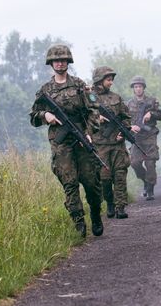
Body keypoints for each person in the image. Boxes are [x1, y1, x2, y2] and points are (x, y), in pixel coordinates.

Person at [30, 44, 103, 238]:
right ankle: (79, 223)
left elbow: (94, 111)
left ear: (68, 62)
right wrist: (45, 115)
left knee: (91, 182)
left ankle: (95, 214)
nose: (60, 62)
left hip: (82, 139)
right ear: (51, 63)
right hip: (61, 144)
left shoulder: (80, 85)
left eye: (63, 59)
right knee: (69, 183)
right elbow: (33, 116)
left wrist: (88, 132)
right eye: (56, 60)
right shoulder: (45, 90)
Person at [91, 66, 131, 219]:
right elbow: (82, 117)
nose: (111, 82)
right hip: (100, 146)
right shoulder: (89, 98)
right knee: (105, 179)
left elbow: (126, 117)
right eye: (108, 80)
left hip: (117, 145)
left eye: (112, 80)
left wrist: (124, 131)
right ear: (100, 80)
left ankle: (121, 207)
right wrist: (96, 118)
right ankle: (110, 202)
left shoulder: (116, 98)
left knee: (120, 175)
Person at [127, 76, 161, 200]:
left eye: (140, 86)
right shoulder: (128, 104)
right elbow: (124, 119)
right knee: (134, 163)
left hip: (149, 135)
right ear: (133, 89)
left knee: (150, 162)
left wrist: (151, 113)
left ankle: (150, 189)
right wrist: (131, 126)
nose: (138, 89)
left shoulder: (152, 101)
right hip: (136, 137)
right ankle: (145, 181)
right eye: (136, 87)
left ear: (143, 88)